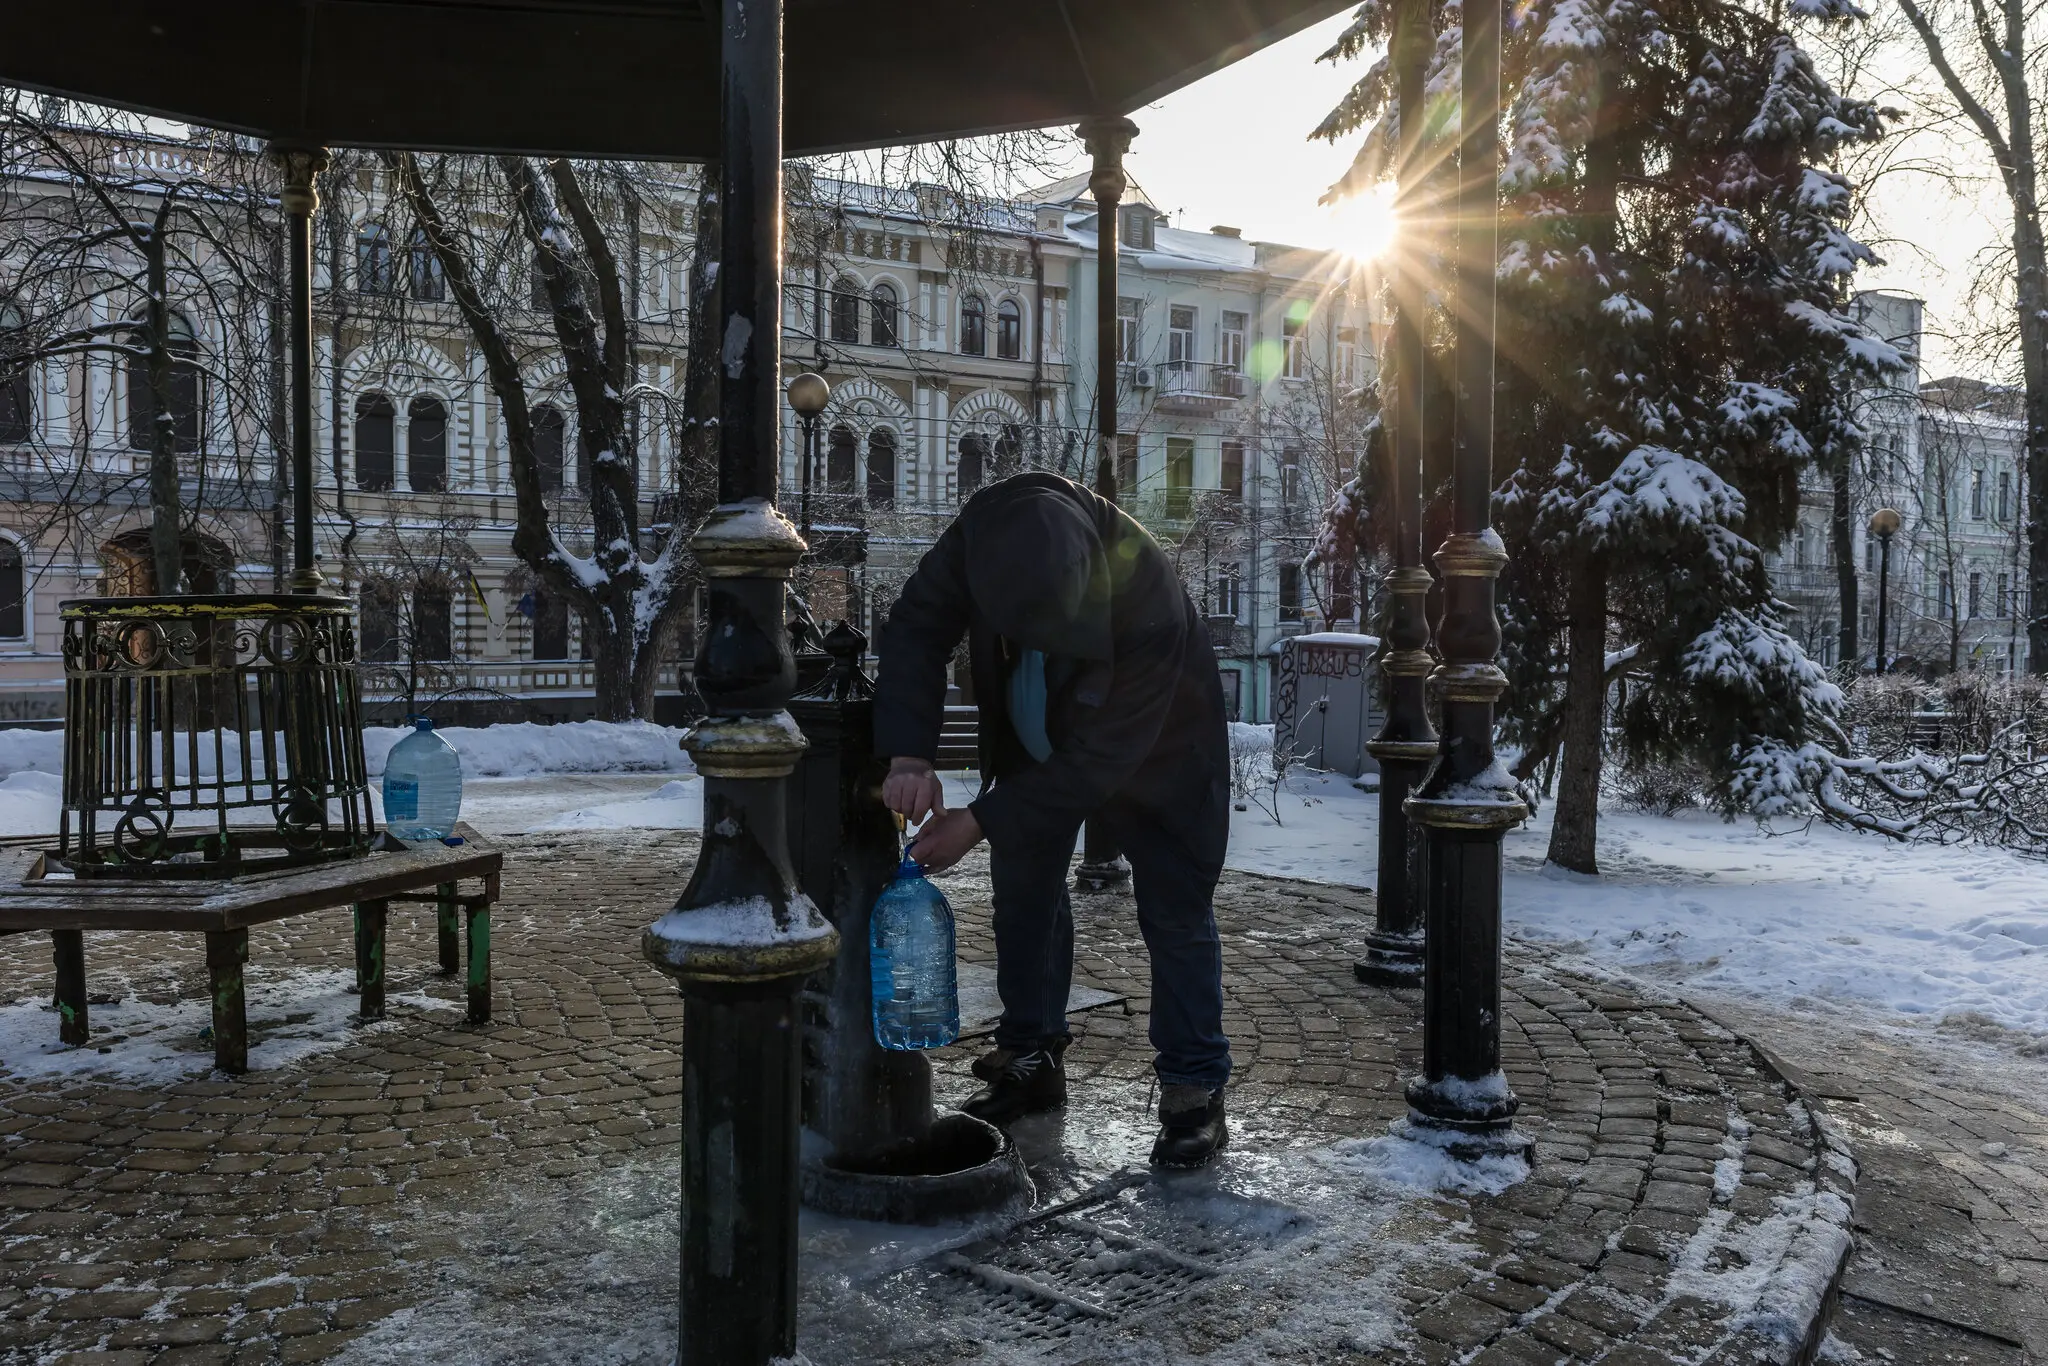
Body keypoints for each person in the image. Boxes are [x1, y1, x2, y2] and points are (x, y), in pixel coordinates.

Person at [872, 471, 1233, 1168]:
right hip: (1035, 737)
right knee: (1025, 893)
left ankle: (1194, 1090)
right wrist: (909, 753)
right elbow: (916, 628)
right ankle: (1031, 1059)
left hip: (1160, 754)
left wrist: (982, 818)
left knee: (1176, 911)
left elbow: (1101, 760)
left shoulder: (1146, 589)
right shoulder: (976, 540)